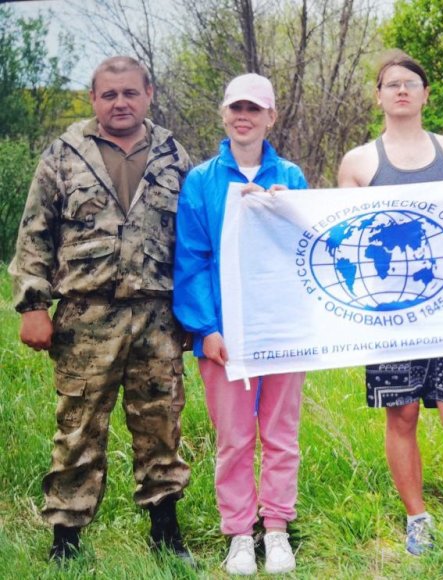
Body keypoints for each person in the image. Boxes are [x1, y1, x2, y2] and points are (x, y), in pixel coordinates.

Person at [7, 56, 193, 563]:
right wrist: (33, 305)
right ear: (93, 98)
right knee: (79, 428)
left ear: (148, 94)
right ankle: (65, 540)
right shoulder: (65, 153)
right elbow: (35, 232)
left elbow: (194, 240)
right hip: (86, 317)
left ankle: (166, 533)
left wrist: (196, 312)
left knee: (161, 426)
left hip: (158, 317)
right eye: (109, 94)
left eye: (130, 93)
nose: (120, 103)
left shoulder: (173, 155)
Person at [337, 50, 443, 556]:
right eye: (392, 84)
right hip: (389, 316)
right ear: (378, 96)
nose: (402, 90)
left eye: (411, 83)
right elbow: (344, 239)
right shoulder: (358, 162)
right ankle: (417, 520)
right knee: (401, 415)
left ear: (425, 95)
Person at [173, 73, 308, 575]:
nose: (244, 117)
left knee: (281, 434)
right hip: (224, 336)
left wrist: (285, 209)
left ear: (271, 117)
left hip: (280, 331)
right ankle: (238, 533)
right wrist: (206, 328)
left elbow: (308, 247)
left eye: (254, 109)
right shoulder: (201, 181)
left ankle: (276, 528)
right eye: (236, 108)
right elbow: (191, 258)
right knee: (233, 438)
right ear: (224, 114)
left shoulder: (290, 176)